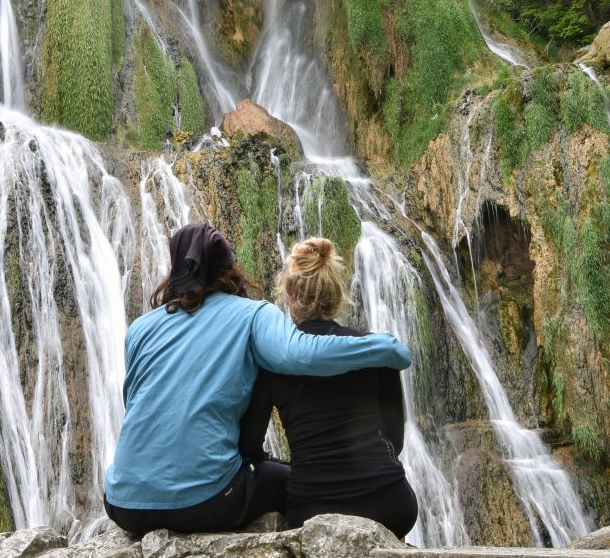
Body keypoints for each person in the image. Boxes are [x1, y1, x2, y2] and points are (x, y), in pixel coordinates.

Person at [104, 223, 412, 535]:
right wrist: (383, 348)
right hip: (205, 503)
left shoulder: (139, 329)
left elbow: (137, 406)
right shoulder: (253, 315)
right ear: (229, 268)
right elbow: (299, 354)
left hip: (122, 505)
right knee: (286, 476)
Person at [239, 237, 419, 538]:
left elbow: (249, 447)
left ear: (290, 295)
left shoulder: (273, 363)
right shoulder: (374, 351)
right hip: (390, 505)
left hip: (311, 509)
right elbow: (395, 441)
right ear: (335, 294)